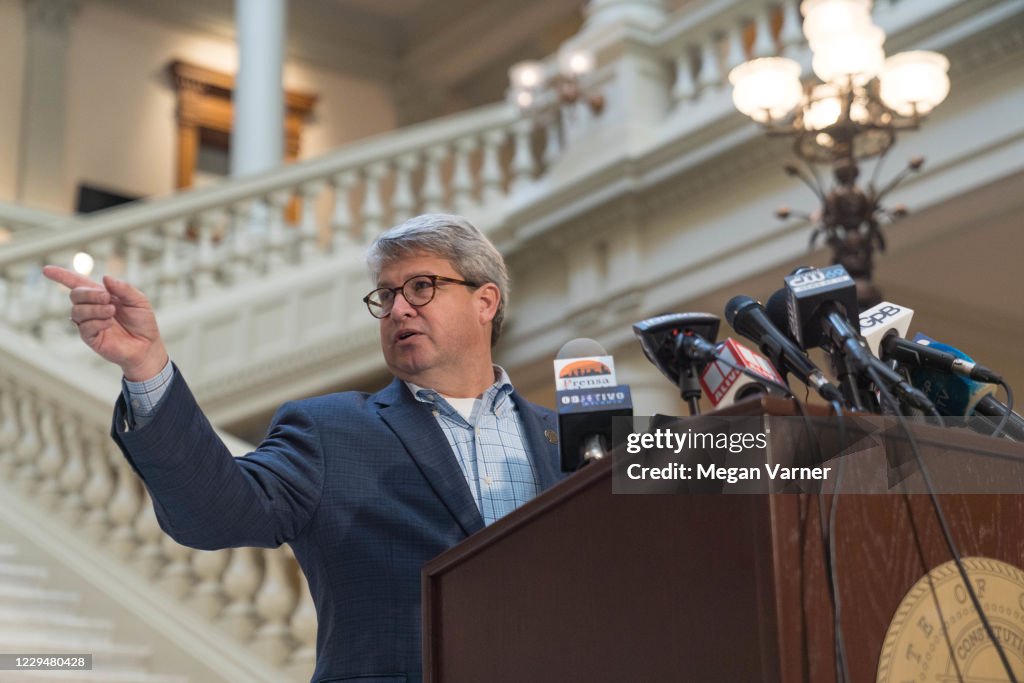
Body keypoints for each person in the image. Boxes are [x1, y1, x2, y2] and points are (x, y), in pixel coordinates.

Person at [43, 214, 563, 683]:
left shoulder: (574, 441)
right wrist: (146, 368)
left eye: (422, 287)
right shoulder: (328, 431)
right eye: (386, 296)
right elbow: (213, 514)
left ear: (485, 301)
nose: (399, 308)